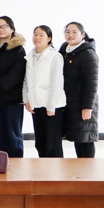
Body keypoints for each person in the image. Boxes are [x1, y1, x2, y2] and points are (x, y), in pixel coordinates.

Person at [0, 16, 27, 158]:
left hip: (11, 100)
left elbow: (15, 74)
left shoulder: (18, 49)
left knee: (13, 135)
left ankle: (16, 164)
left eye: (4, 26)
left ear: (12, 29)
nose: (0, 29)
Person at [23, 25, 66, 158]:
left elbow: (57, 83)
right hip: (36, 104)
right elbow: (26, 81)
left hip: (52, 106)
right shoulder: (29, 56)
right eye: (35, 34)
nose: (37, 37)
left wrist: (51, 106)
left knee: (52, 143)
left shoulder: (55, 56)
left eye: (41, 35)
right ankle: (43, 169)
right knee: (40, 142)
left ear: (49, 38)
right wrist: (26, 100)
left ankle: (56, 170)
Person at [59, 22, 99, 158]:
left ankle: (88, 169)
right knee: (78, 136)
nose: (70, 35)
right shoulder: (65, 50)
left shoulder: (88, 54)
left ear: (82, 34)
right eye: (67, 32)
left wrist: (87, 107)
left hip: (83, 103)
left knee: (86, 138)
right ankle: (81, 169)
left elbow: (92, 84)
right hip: (71, 103)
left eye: (74, 32)